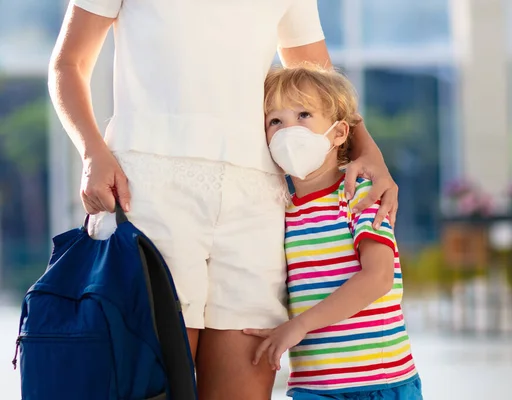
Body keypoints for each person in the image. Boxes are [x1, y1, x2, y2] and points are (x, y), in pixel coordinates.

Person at [48, 1, 398, 398]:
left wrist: (367, 147)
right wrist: (93, 152)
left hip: (257, 198)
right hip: (147, 189)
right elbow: (69, 64)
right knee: (149, 386)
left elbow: (318, 80)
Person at [243, 65, 421, 399]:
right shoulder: (281, 208)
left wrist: (298, 326)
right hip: (313, 387)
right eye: (275, 121)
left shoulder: (359, 196)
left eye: (304, 114)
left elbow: (379, 277)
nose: (287, 131)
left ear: (339, 134)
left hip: (379, 383)